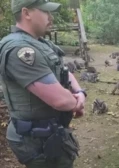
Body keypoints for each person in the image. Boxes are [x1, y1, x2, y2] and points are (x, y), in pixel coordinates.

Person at [0, 0, 87, 167]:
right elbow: (60, 101)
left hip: (50, 132)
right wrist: (76, 102)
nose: (51, 17)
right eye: (45, 12)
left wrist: (80, 92)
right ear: (26, 13)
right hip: (35, 139)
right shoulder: (21, 50)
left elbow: (65, 71)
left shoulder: (41, 43)